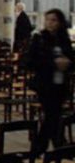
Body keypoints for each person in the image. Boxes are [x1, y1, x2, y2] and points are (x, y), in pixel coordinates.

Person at [25, 8, 73, 154]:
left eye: (54, 20)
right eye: (47, 20)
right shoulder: (39, 39)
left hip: (61, 84)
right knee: (52, 114)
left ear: (60, 22)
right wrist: (53, 63)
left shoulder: (64, 40)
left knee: (54, 115)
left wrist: (68, 63)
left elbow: (72, 58)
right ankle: (51, 146)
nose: (50, 23)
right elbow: (29, 62)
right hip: (45, 84)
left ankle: (48, 145)